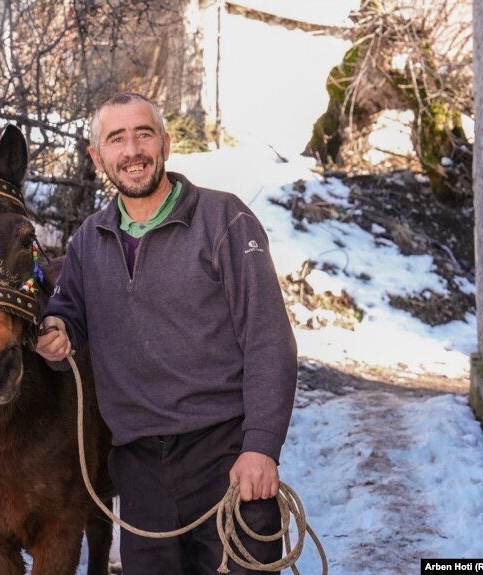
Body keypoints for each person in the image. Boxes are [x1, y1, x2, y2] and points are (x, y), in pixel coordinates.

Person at [36, 92, 297, 575]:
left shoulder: (224, 220)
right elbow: (65, 317)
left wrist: (260, 446)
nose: (132, 149)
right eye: (116, 139)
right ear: (98, 158)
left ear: (165, 143)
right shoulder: (87, 242)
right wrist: (56, 333)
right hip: (138, 468)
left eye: (143, 133)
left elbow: (268, 339)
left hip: (225, 452)